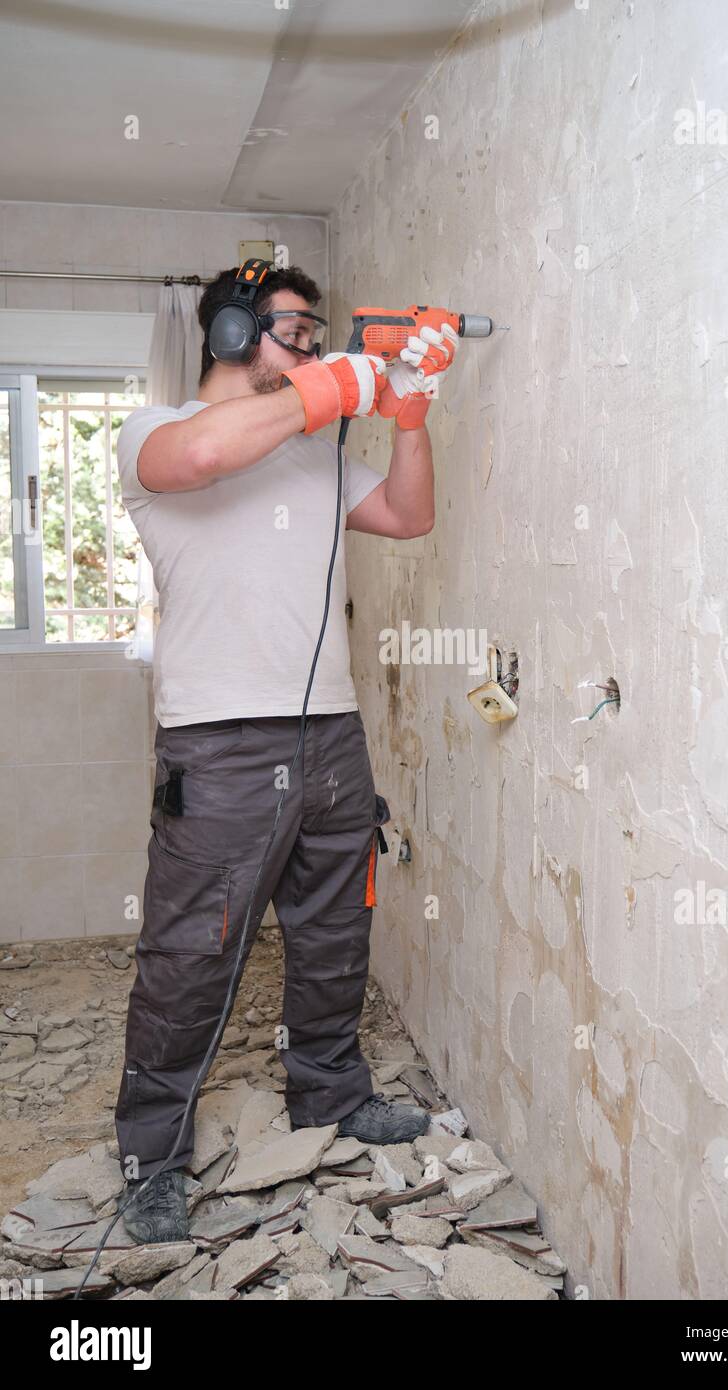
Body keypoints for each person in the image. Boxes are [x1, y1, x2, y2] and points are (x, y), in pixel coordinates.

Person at [113, 263, 459, 1242]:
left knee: (331, 933)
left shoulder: (312, 452)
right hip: (217, 744)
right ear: (228, 335)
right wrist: (344, 379)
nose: (310, 346)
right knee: (189, 957)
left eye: (317, 333)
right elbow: (201, 458)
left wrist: (409, 412)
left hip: (330, 734)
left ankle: (331, 1095)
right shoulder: (157, 431)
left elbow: (406, 514)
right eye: (292, 330)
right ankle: (151, 1154)